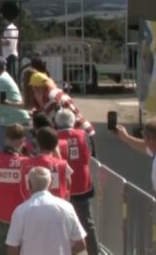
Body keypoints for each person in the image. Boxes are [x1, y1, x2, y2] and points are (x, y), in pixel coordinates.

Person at [6, 167, 87, 255]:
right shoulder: (67, 207)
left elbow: (12, 247)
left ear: (29, 184)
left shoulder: (21, 211)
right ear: (51, 183)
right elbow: (81, 244)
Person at [55, 109, 99, 255]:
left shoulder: (54, 138)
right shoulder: (83, 135)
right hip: (82, 185)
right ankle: (94, 252)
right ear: (72, 122)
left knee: (61, 226)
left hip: (62, 188)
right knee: (87, 223)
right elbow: (91, 154)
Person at [0, 124, 28, 255]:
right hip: (21, 217)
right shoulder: (27, 163)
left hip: (0, 215)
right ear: (22, 141)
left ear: (6, 139)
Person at [116, 118, 156, 204]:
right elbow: (144, 147)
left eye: (144, 136)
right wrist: (126, 137)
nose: (143, 139)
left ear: (149, 138)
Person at [20, 127, 72, 200]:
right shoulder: (62, 164)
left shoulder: (25, 164)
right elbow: (68, 185)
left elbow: (22, 188)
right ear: (56, 145)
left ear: (37, 143)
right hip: (56, 207)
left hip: (32, 206)